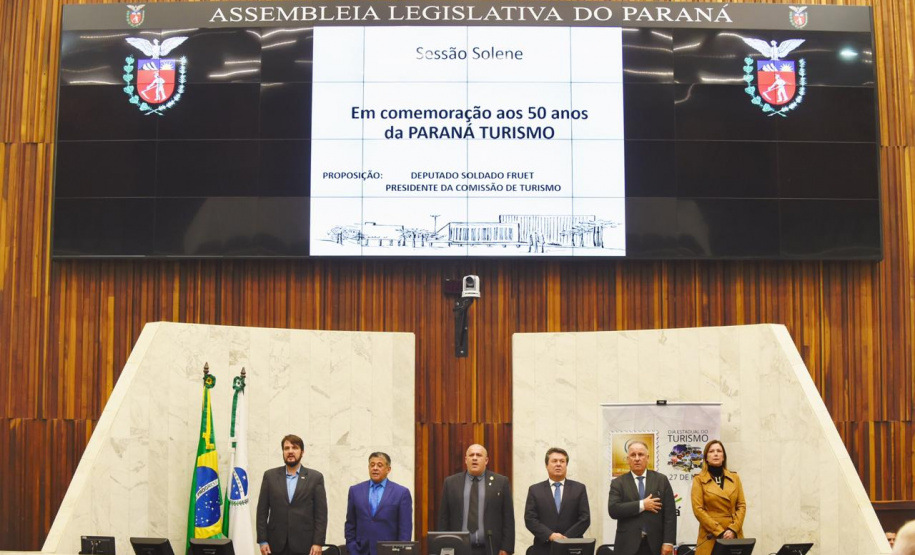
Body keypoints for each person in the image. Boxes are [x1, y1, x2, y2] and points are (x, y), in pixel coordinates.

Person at [438, 444, 515, 555]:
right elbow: (443, 518)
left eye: (478, 455)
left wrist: (506, 548)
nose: (474, 458)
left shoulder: (501, 482)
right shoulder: (451, 483)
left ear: (486, 460)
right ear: (466, 460)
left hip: (490, 549)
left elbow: (508, 518)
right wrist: (443, 546)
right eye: (471, 455)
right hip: (458, 549)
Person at [257, 435, 328, 555]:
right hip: (275, 545)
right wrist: (262, 541)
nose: (290, 451)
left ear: (302, 452)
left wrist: (318, 543)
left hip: (305, 545)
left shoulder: (315, 478)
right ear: (283, 452)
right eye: (286, 448)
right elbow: (262, 511)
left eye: (294, 448)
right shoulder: (270, 476)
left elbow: (321, 515)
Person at [607, 440, 676, 555]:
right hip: (627, 546)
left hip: (656, 545)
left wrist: (668, 542)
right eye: (633, 455)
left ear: (647, 458)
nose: (637, 458)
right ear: (628, 459)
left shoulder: (661, 480)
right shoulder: (618, 483)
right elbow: (613, 510)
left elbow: (670, 514)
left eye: (641, 454)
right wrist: (642, 505)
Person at [524, 447, 590, 555]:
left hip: (572, 548)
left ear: (566, 465)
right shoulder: (535, 490)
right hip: (543, 548)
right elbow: (530, 519)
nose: (558, 464)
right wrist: (551, 535)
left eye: (562, 461)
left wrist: (565, 538)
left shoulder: (579, 488)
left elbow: (585, 518)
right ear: (546, 465)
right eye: (554, 461)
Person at [345, 452, 413, 555]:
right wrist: (351, 546)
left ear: (388, 469)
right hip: (360, 550)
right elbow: (350, 523)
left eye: (379, 465)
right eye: (372, 465)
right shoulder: (355, 491)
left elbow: (405, 529)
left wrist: (401, 551)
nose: (375, 468)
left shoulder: (401, 493)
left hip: (389, 552)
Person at [689, 440, 747, 555]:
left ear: (723, 457)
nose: (715, 454)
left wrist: (733, 529)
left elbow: (741, 505)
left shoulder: (735, 478)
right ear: (706, 457)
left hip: (733, 534)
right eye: (711, 451)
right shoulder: (698, 479)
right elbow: (698, 510)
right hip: (710, 535)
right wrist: (720, 532)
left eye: (719, 451)